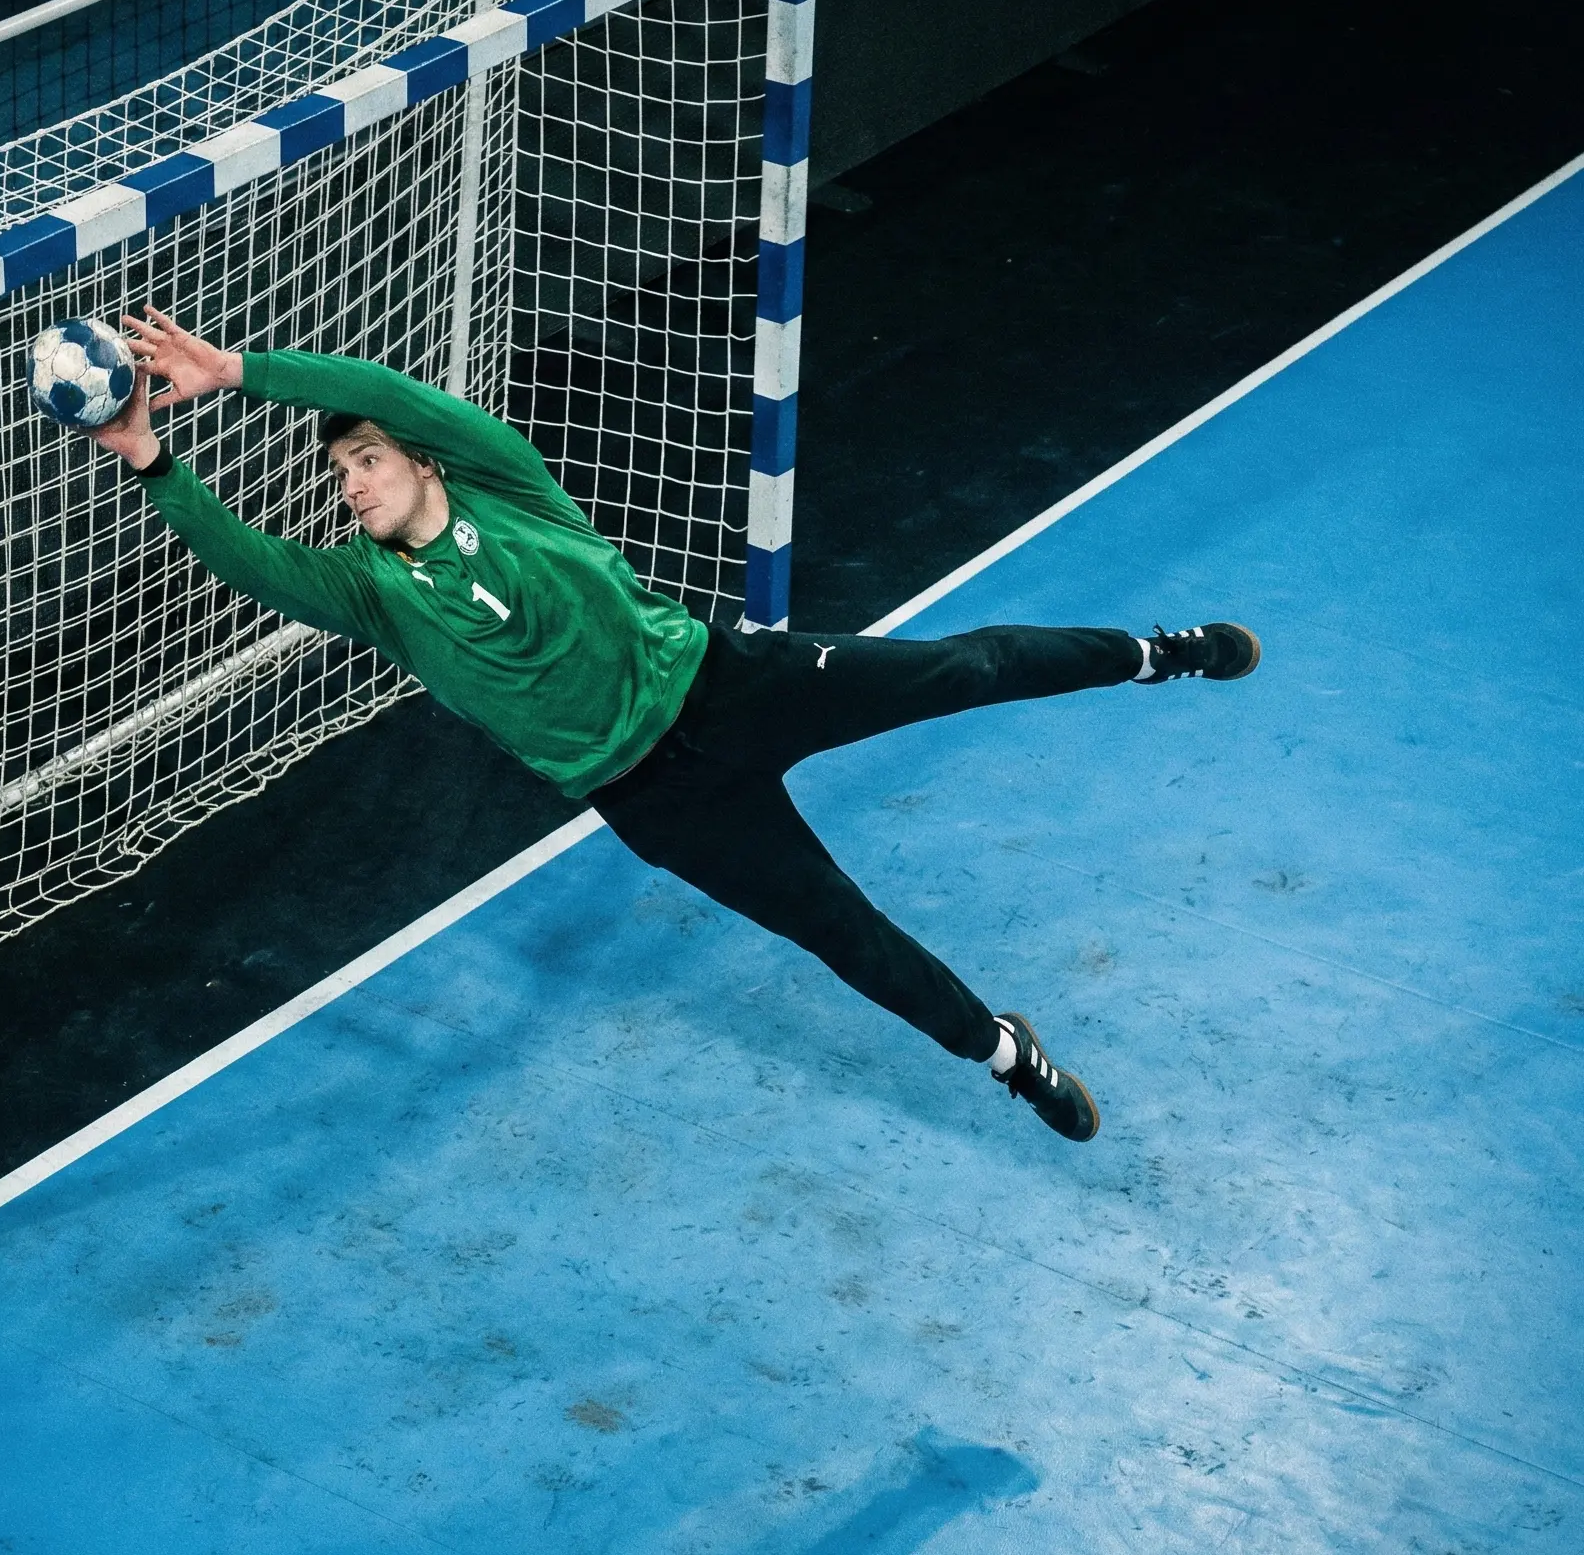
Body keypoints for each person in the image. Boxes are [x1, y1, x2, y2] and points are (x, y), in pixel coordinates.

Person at [93, 307, 1261, 1143]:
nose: (352, 480)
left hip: (723, 681)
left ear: (416, 458)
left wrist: (242, 371)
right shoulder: (370, 593)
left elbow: (401, 393)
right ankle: (1006, 1055)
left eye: (364, 458)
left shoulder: (506, 484)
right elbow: (247, 560)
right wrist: (152, 458)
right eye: (340, 474)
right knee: (841, 934)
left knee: (968, 666)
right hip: (655, 797)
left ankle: (1160, 653)